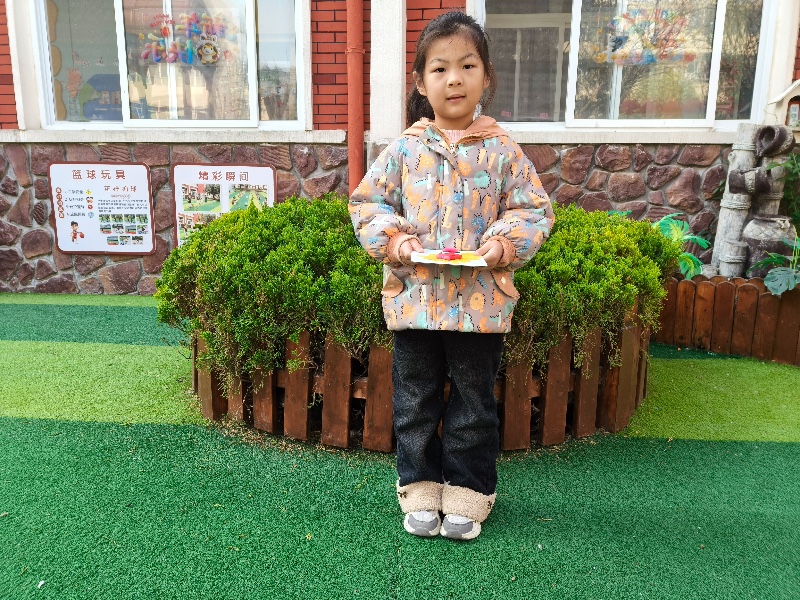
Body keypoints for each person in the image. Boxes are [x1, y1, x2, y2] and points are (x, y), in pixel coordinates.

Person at [349, 11, 554, 541]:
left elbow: (533, 209)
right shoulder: (404, 149)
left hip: (480, 306)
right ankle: (418, 485)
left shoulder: (502, 150)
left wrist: (503, 244)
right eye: (439, 69)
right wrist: (396, 240)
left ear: (486, 76)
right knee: (414, 401)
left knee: (473, 404)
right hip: (414, 301)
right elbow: (367, 203)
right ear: (421, 82)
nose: (454, 79)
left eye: (467, 66)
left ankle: (468, 491)